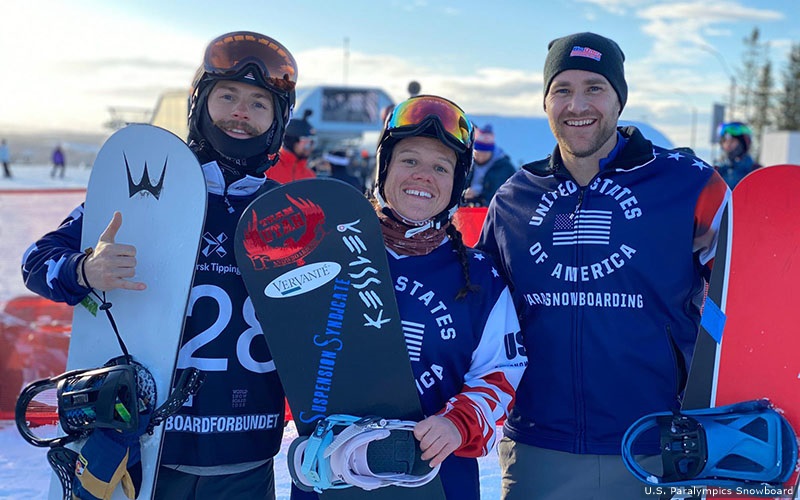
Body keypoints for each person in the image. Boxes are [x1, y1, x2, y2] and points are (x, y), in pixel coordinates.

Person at [21, 30, 299, 499]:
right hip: (150, 450)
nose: (240, 112)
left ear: (276, 120)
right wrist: (84, 269)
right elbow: (36, 260)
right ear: (199, 103)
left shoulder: (289, 211)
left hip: (245, 452)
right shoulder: (149, 192)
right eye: (227, 95)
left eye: (258, 103)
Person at [477, 32, 731, 499]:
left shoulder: (687, 185)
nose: (578, 104)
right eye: (562, 89)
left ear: (619, 98)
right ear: (546, 102)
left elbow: (743, 294)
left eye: (594, 87)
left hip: (657, 443)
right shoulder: (515, 195)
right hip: (539, 447)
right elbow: (478, 312)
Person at [291, 95, 526, 499]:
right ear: (384, 169)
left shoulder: (481, 279)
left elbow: (501, 371)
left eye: (440, 167)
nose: (424, 176)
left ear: (457, 183)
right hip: (333, 477)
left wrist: (460, 422)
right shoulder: (324, 257)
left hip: (437, 478)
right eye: (410, 160)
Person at [462, 124, 516, 207]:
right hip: (466, 211)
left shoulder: (504, 168)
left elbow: (509, 195)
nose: (480, 156)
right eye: (477, 152)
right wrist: (463, 195)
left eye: (484, 153)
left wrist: (480, 199)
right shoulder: (466, 164)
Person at [266, 109, 316, 183]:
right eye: (307, 142)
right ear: (292, 141)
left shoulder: (310, 176)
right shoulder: (269, 166)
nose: (310, 147)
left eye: (313, 142)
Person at [715, 121, 760, 188]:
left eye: (732, 141)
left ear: (743, 144)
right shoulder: (716, 171)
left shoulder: (756, 171)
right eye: (725, 141)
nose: (728, 145)